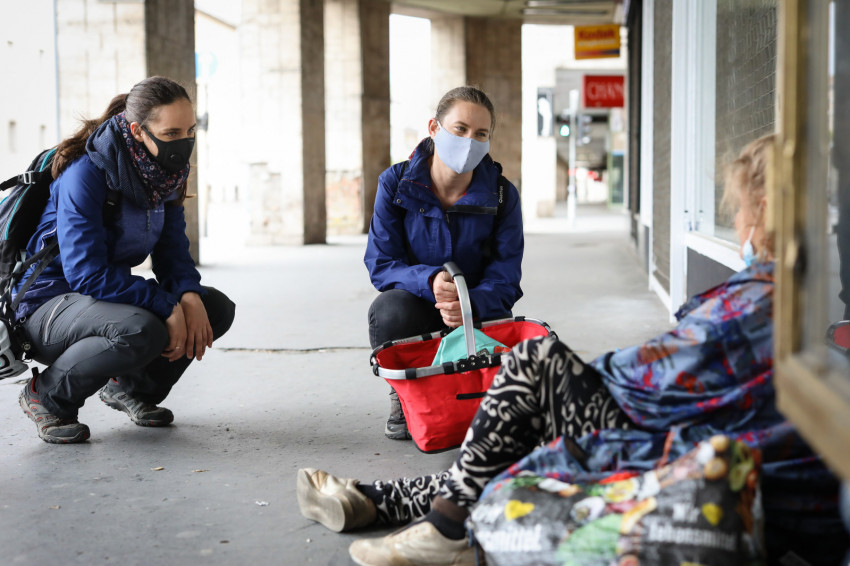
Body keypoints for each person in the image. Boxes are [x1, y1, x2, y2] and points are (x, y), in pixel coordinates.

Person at [298, 135, 848, 566]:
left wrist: (570, 379)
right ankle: (379, 500)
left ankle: (436, 526)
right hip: (730, 444)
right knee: (520, 416)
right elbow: (382, 265)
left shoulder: (763, 300)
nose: (737, 221)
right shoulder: (792, 290)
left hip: (727, 462)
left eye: (738, 208)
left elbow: (649, 376)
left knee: (534, 369)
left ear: (763, 208)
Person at [16, 76, 235, 444]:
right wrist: (165, 304)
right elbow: (86, 273)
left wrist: (188, 294)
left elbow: (173, 253)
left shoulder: (164, 175)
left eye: (190, 131)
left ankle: (131, 390)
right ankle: (48, 397)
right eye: (170, 133)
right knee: (141, 328)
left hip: (98, 301)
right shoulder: (86, 174)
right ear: (137, 131)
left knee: (213, 308)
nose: (183, 143)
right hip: (46, 307)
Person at [364, 86, 524, 441]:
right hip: (418, 306)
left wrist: (468, 303)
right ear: (434, 128)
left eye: (480, 134)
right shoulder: (395, 184)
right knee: (389, 309)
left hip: (478, 311)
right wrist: (430, 281)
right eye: (460, 129)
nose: (470, 141)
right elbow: (382, 262)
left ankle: (473, 391)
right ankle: (405, 395)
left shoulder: (502, 195)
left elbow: (506, 276)